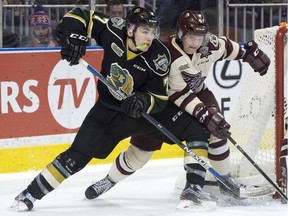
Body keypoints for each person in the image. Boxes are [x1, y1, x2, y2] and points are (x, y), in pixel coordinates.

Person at [11, 6, 230, 211]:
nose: (149, 37)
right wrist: (73, 35)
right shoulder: (114, 29)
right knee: (76, 157)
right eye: (144, 31)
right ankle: (29, 195)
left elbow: (160, 98)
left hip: (139, 114)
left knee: (196, 126)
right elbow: (80, 15)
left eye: (153, 32)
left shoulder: (159, 56)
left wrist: (144, 101)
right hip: (106, 113)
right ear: (131, 29)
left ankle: (193, 191)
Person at [83, 10, 270, 208]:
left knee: (216, 130)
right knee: (140, 152)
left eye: (200, 37)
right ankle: (110, 180)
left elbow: (226, 47)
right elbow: (179, 94)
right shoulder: (166, 53)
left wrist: (247, 53)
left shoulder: (209, 44)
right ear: (180, 34)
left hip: (197, 94)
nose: (195, 43)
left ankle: (221, 180)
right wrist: (204, 114)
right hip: (163, 103)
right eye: (191, 37)